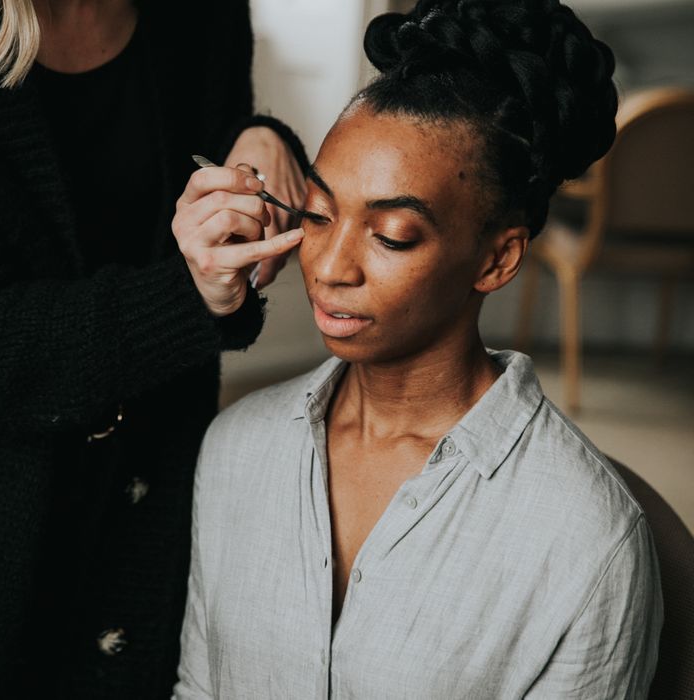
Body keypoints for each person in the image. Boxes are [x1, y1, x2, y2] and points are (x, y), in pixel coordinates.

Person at [175, 0, 663, 697]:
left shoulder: (584, 539)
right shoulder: (236, 449)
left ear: (496, 261)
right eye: (318, 213)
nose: (331, 265)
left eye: (393, 234)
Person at [0, 0, 308, 698]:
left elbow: (204, 152)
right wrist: (190, 299)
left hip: (153, 522)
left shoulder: (205, 14)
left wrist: (259, 141)